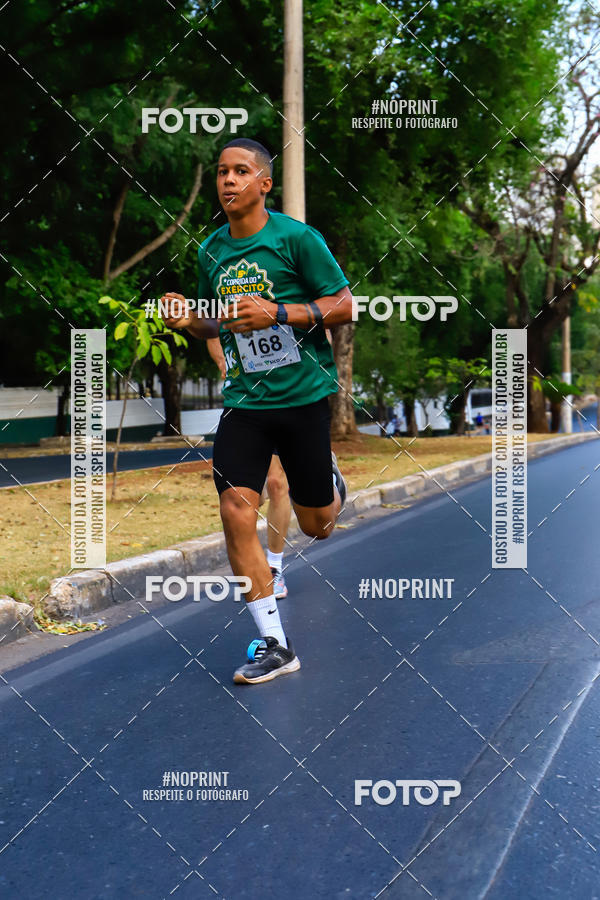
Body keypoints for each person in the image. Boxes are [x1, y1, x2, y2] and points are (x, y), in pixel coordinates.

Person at [159, 137, 353, 685]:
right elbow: (213, 323)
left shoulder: (296, 238)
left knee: (318, 526)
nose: (228, 180)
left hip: (303, 398)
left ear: (264, 183)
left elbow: (344, 306)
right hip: (245, 401)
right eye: (222, 171)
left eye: (241, 171)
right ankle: (274, 642)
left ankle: (331, 484)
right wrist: (186, 319)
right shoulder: (211, 251)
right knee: (235, 508)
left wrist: (279, 312)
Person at [207, 336, 290, 600]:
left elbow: (321, 324)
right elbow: (211, 331)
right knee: (248, 497)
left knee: (278, 484)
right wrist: (222, 360)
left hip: (287, 397)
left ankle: (274, 567)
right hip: (247, 402)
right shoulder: (227, 295)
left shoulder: (289, 297)